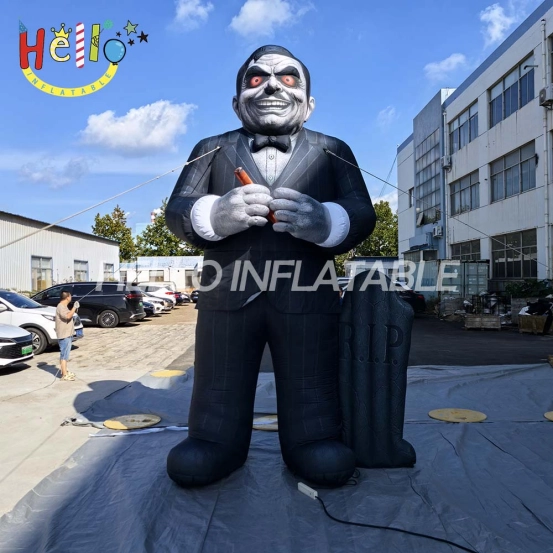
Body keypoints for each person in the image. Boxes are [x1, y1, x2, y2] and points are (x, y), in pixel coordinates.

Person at [165, 45, 376, 488]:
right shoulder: (211, 148)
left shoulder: (333, 150)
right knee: (218, 375)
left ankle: (313, 437)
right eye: (258, 78)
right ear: (236, 100)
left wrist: (327, 221)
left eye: (288, 77)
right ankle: (214, 439)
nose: (274, 86)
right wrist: (214, 214)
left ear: (309, 103)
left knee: (312, 375)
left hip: (308, 290)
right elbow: (177, 208)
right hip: (227, 291)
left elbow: (362, 211)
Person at [55, 291, 79, 381]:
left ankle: (65, 371)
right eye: (70, 296)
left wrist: (74, 310)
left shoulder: (64, 306)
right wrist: (74, 307)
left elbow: (70, 315)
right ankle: (64, 375)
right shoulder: (60, 306)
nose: (71, 297)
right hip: (64, 335)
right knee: (64, 355)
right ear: (67, 297)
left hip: (68, 334)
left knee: (66, 354)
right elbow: (67, 316)